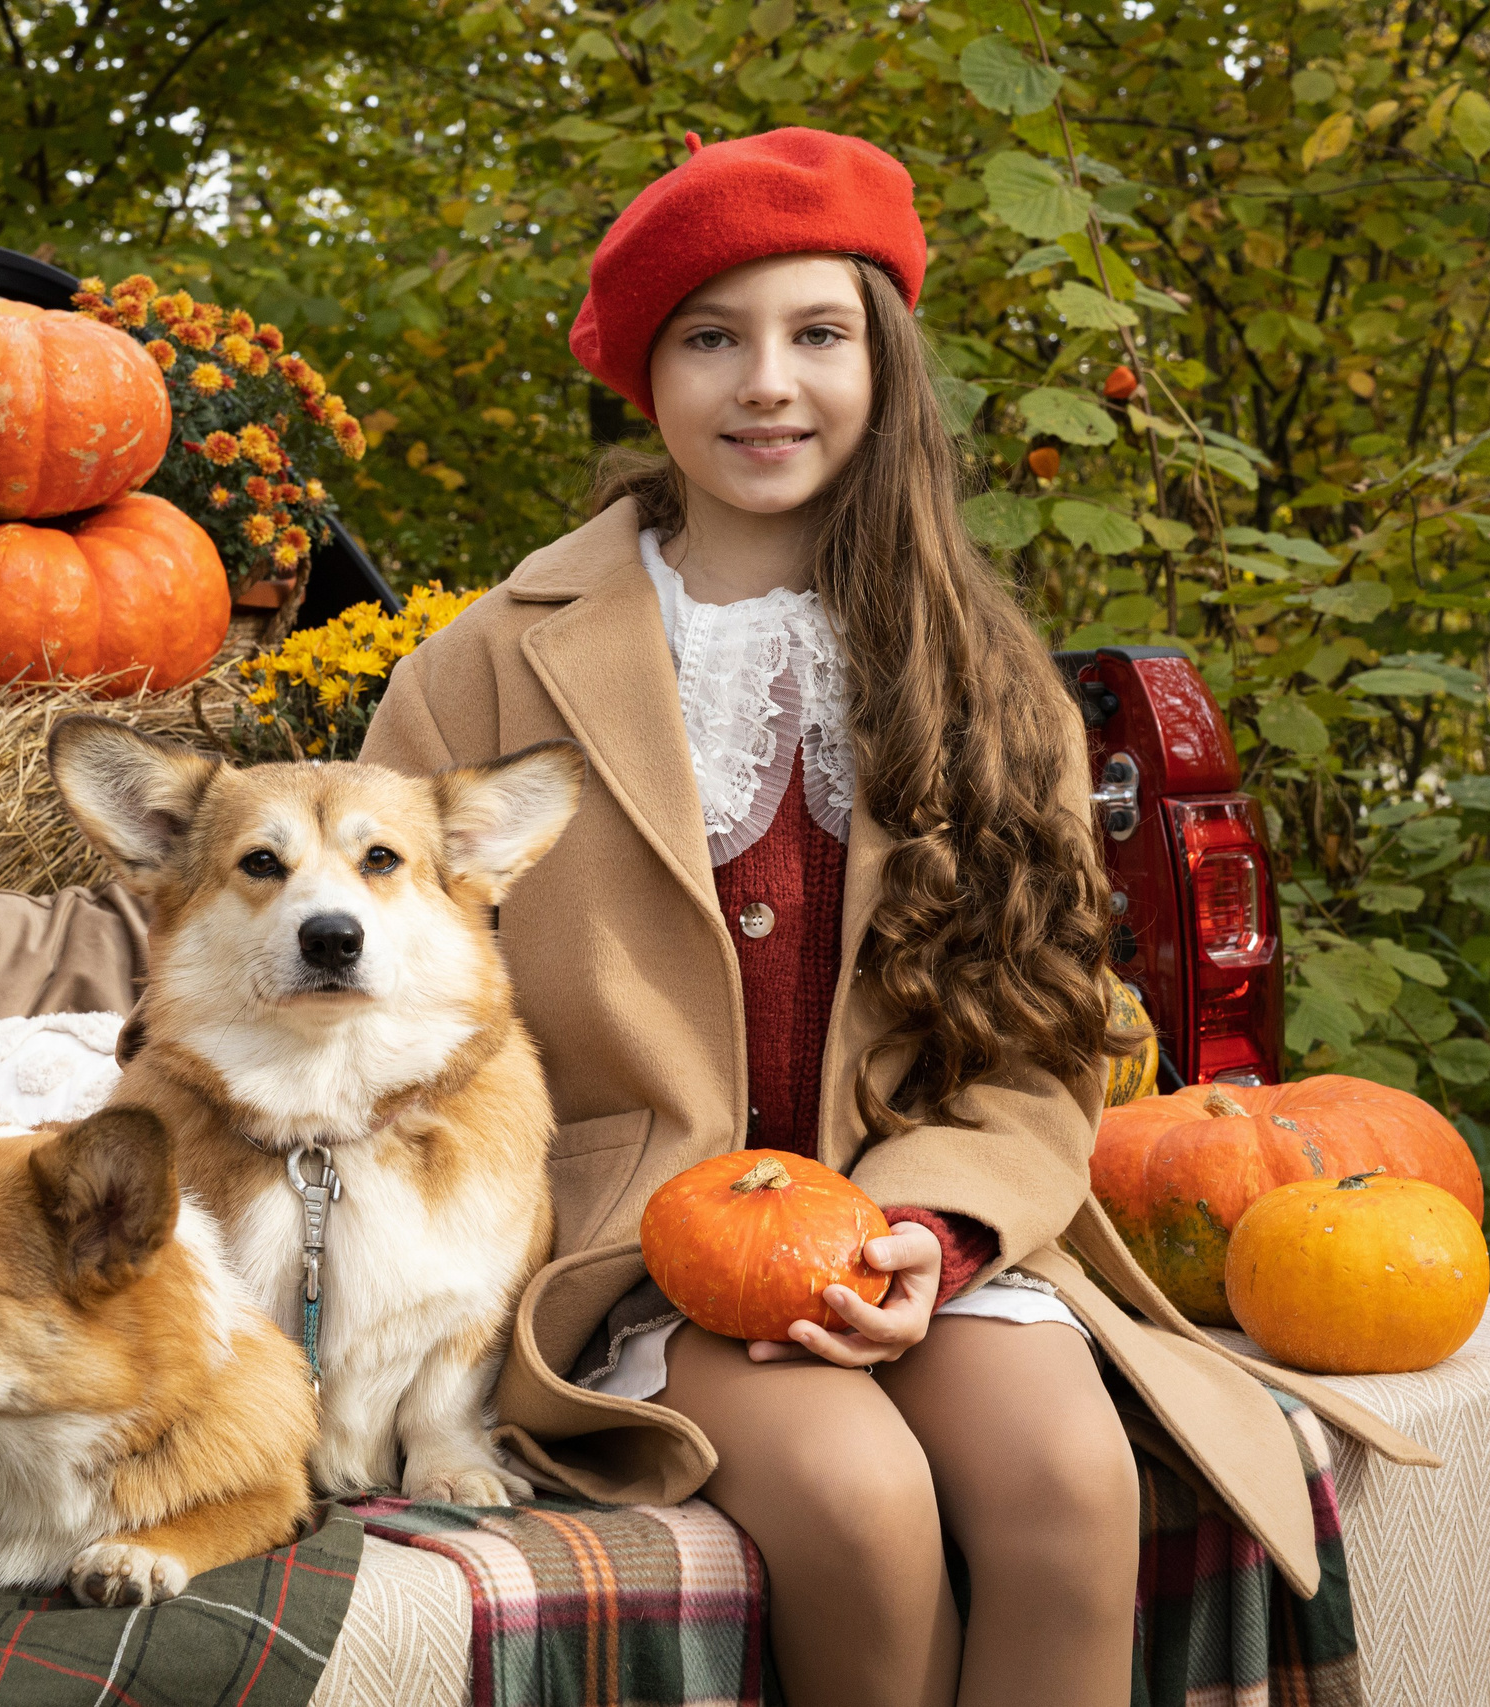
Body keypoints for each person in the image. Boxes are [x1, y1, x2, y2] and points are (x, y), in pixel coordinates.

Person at [360, 127, 1333, 1707]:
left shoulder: (977, 668)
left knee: (1070, 1491)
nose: (767, 384)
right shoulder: (484, 664)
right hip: (627, 1252)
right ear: (644, 372)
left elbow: (1041, 1031)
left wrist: (932, 1235)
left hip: (905, 1216)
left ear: (881, 364)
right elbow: (381, 999)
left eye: (816, 336)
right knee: (861, 1509)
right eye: (712, 338)